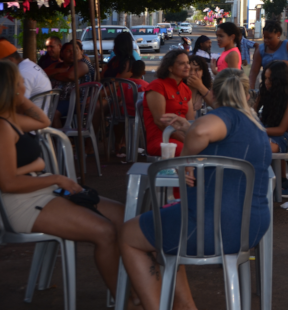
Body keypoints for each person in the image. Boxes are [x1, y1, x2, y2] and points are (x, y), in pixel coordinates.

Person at [120, 69, 271, 310]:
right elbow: (214, 141)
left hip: (212, 228)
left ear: (213, 93)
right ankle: (184, 304)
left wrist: (186, 160)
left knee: (129, 233)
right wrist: (186, 129)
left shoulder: (226, 116)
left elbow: (201, 131)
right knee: (166, 229)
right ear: (246, 95)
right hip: (250, 228)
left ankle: (155, 305)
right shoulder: (253, 123)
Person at [0, 60, 126, 299]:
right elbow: (8, 183)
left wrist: (20, 99)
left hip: (38, 189)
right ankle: (126, 299)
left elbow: (43, 121)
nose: (25, 88)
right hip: (22, 203)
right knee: (105, 231)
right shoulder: (3, 127)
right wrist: (55, 178)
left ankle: (130, 291)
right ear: (9, 88)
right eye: (20, 85)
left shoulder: (10, 120)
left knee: (122, 216)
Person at [256, 61, 288, 197]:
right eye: (265, 78)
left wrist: (255, 130)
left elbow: (281, 130)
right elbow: (251, 115)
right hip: (266, 130)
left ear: (280, 80)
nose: (266, 82)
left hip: (283, 137)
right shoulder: (265, 92)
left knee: (258, 148)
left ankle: (275, 182)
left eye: (270, 79)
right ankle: (273, 181)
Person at [142, 50, 194, 158]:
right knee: (193, 152)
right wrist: (187, 141)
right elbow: (160, 122)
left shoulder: (186, 89)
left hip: (182, 138)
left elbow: (190, 121)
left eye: (188, 62)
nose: (187, 66)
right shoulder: (157, 86)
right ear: (169, 68)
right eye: (181, 63)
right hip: (162, 139)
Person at [47, 42, 95, 124]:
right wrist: (59, 71)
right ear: (62, 53)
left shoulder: (83, 64)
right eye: (68, 51)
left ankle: (60, 137)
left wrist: (53, 75)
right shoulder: (57, 65)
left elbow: (70, 76)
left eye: (75, 50)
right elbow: (42, 73)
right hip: (53, 99)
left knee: (53, 114)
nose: (72, 53)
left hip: (76, 101)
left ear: (81, 52)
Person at [249, 21, 288, 88]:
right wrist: (251, 88)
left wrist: (283, 63)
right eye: (264, 38)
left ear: (278, 34)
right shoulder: (261, 49)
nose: (266, 40)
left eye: (269, 38)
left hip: (286, 88)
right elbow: (254, 72)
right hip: (267, 88)